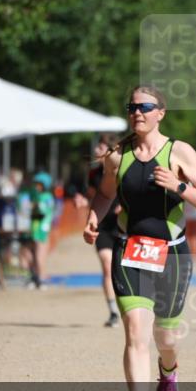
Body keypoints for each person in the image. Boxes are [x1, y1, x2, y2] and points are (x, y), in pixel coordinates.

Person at [84, 86, 196, 391]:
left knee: (167, 337)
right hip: (130, 251)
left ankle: (168, 369)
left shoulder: (180, 152)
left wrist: (180, 186)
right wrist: (93, 219)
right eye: (132, 107)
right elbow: (106, 194)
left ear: (161, 112)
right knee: (135, 333)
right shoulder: (117, 156)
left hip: (172, 254)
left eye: (145, 107)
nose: (137, 112)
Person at [86, 135, 124, 327]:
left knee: (124, 270)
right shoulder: (93, 174)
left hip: (124, 225)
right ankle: (113, 312)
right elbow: (94, 197)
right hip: (102, 226)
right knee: (107, 265)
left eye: (100, 146)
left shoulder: (124, 169)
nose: (96, 150)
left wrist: (126, 207)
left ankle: (130, 308)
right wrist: (83, 202)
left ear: (112, 150)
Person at [27, 172, 55, 289]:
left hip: (42, 229)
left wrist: (34, 205)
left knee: (40, 254)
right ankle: (36, 277)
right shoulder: (36, 197)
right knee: (34, 255)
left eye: (39, 184)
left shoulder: (47, 197)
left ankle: (41, 278)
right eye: (35, 184)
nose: (36, 186)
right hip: (34, 229)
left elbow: (44, 211)